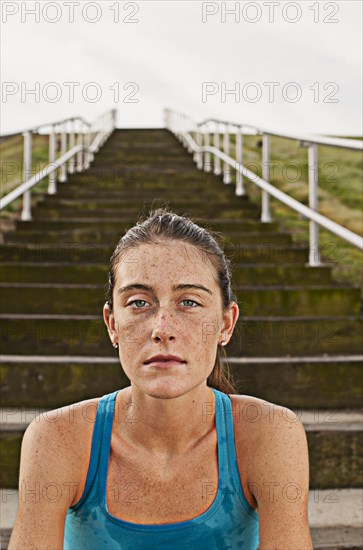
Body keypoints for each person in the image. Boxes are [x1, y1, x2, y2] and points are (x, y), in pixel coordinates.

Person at [9, 207, 313, 549]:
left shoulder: (270, 433)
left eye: (189, 302)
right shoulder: (56, 439)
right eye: (139, 302)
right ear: (112, 325)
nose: (163, 329)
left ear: (226, 324)